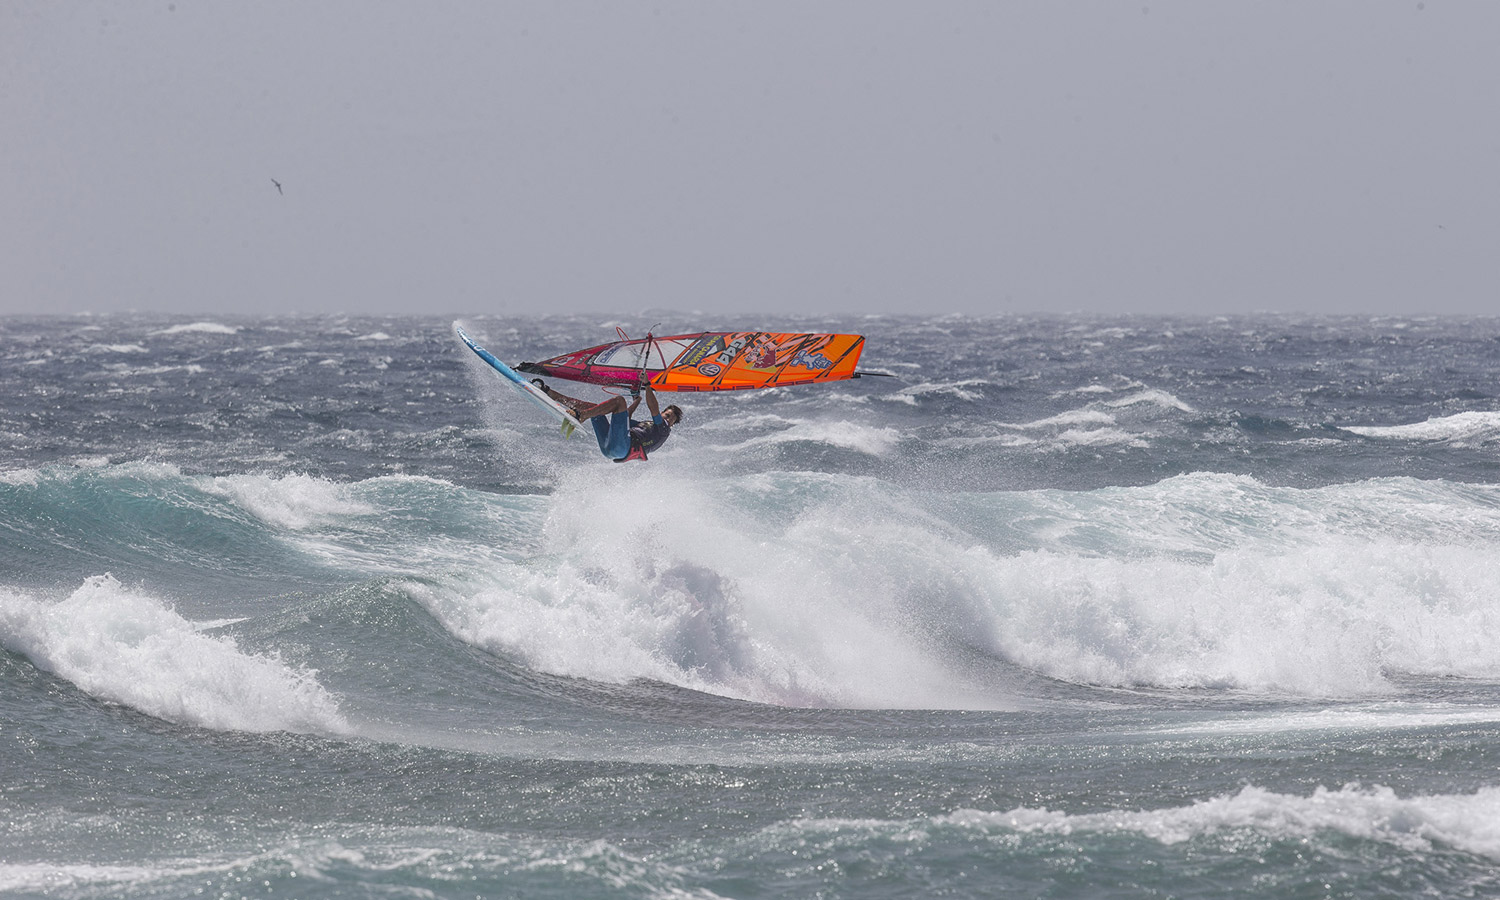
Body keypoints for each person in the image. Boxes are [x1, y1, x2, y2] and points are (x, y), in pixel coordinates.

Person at [531, 379, 682, 462]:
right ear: (663, 413)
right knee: (595, 410)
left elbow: (653, 408)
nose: (667, 420)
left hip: (623, 448)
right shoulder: (647, 426)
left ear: (672, 425)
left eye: (671, 420)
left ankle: (581, 415)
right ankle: (550, 393)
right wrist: (637, 401)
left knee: (618, 401)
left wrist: (647, 385)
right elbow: (625, 418)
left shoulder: (663, 430)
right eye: (667, 415)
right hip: (610, 449)